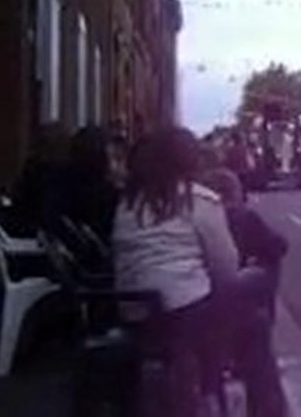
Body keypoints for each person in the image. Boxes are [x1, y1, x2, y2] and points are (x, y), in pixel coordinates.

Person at [112, 128, 286, 417]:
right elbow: (225, 270)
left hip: (135, 313)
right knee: (259, 299)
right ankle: (267, 409)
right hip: (186, 316)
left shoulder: (128, 203)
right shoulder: (198, 200)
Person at [200, 166, 288, 323]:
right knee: (270, 263)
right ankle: (264, 317)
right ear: (235, 192)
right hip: (225, 287)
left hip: (199, 285)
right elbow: (279, 246)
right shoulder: (242, 216)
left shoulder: (198, 213)